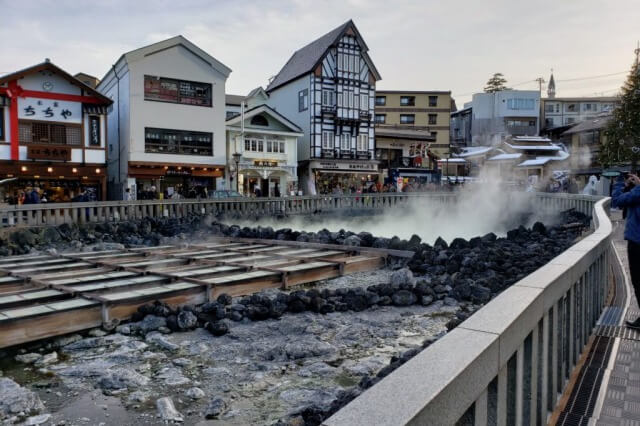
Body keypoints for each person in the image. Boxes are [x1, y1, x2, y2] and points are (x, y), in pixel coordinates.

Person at [612, 173, 640, 329]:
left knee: (638, 280)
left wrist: (619, 184)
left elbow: (616, 201)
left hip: (637, 242)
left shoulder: (637, 193)